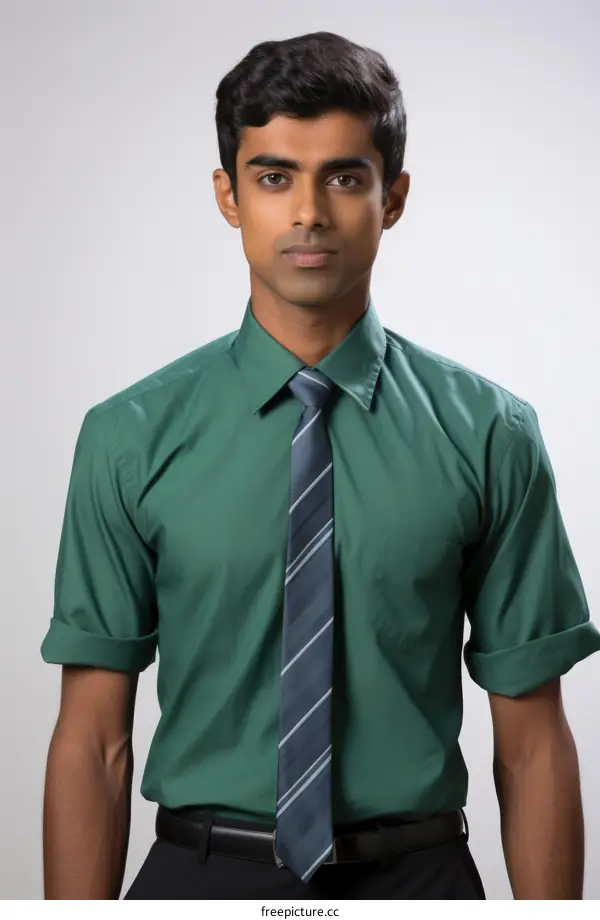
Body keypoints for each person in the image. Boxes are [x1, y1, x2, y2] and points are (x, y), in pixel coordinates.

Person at [40, 31, 599, 901]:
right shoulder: (127, 437)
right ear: (228, 196)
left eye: (344, 177)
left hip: (418, 880)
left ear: (394, 196)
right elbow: (93, 741)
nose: (308, 212)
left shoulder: (491, 435)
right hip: (198, 879)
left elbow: (532, 744)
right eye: (273, 177)